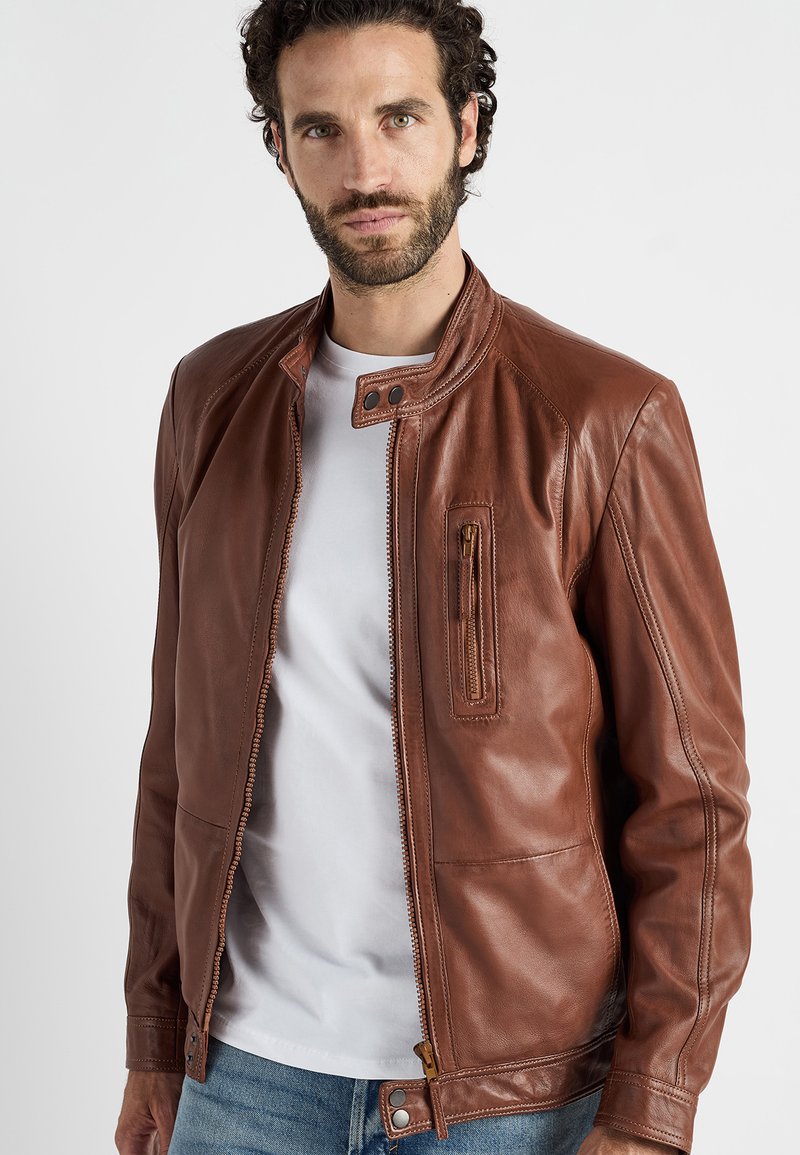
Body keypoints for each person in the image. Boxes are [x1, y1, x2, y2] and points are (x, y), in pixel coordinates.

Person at [114, 2, 752, 1153]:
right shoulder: (211, 403)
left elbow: (692, 806)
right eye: (320, 128)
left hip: (513, 1101)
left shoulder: (601, 419)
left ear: (467, 127)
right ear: (278, 147)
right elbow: (178, 749)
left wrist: (650, 1111)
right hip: (244, 1079)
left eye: (398, 117)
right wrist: (156, 1038)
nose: (364, 170)